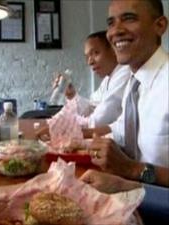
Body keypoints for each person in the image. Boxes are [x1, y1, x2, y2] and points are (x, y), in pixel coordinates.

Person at [86, 0, 168, 187]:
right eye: (111, 23)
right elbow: (120, 131)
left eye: (129, 19)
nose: (115, 31)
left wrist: (132, 169)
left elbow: (131, 168)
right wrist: (80, 141)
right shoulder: (135, 83)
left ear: (160, 26)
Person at [35, 30, 130, 140]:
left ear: (113, 50)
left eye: (95, 53)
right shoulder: (109, 78)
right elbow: (91, 108)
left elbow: (97, 122)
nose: (90, 62)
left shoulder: (124, 74)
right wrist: (72, 95)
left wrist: (61, 128)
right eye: (87, 57)